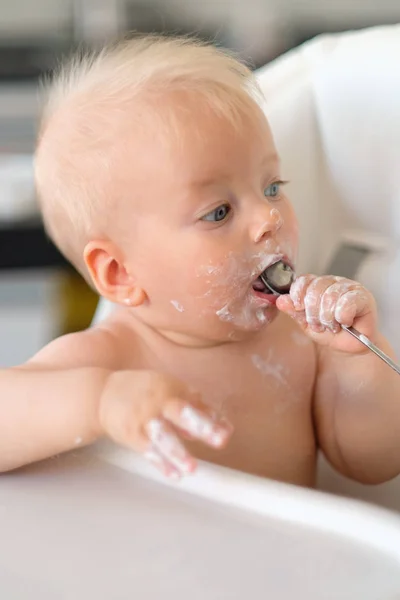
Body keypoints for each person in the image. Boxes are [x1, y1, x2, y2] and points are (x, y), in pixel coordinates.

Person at [1, 35, 399, 487]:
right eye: (219, 212)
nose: (269, 218)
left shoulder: (303, 345)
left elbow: (374, 464)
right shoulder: (114, 359)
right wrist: (99, 402)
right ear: (120, 273)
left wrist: (357, 359)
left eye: (272, 186)